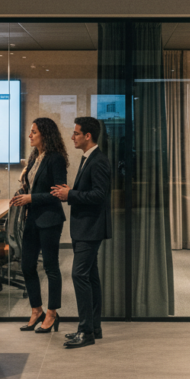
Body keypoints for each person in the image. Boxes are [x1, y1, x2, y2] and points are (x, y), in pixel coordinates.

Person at [52, 116, 111, 349]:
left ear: (88, 136)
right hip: (84, 228)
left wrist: (70, 195)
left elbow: (99, 195)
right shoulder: (89, 158)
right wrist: (71, 191)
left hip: (90, 229)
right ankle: (94, 327)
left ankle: (86, 331)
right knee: (90, 277)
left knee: (79, 276)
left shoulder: (99, 161)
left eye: (76, 133)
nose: (72, 137)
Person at [9, 117, 68, 333]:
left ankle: (52, 313)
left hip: (50, 219)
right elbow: (31, 187)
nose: (30, 135)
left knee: (51, 267)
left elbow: (58, 194)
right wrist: (21, 196)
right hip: (31, 218)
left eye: (33, 132)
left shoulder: (56, 159)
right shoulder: (35, 157)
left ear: (45, 133)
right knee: (27, 266)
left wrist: (31, 198)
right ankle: (37, 310)